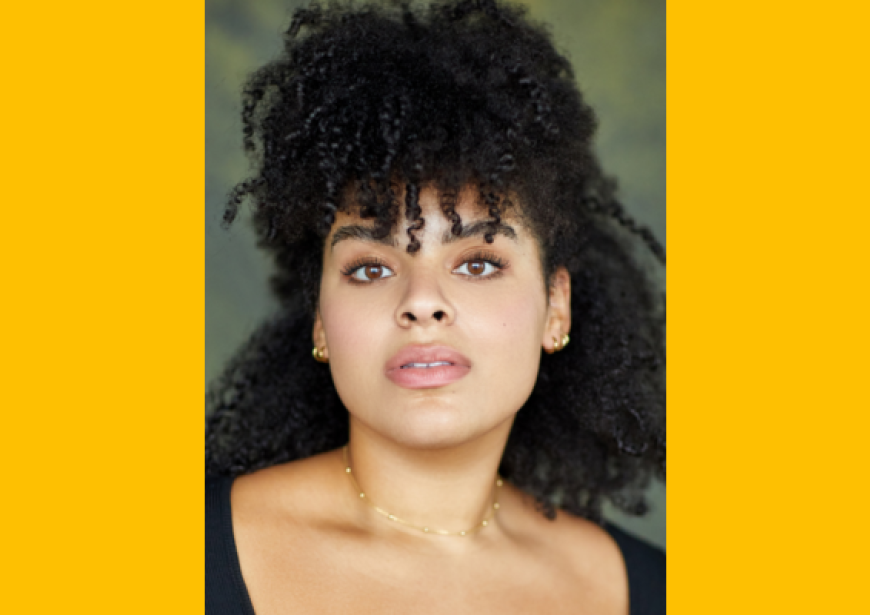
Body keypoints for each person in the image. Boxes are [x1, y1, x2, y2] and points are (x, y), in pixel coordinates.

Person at [205, 1, 665, 613]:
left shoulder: (659, 589)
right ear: (320, 319)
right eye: (371, 268)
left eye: (478, 263)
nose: (422, 302)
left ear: (556, 309)